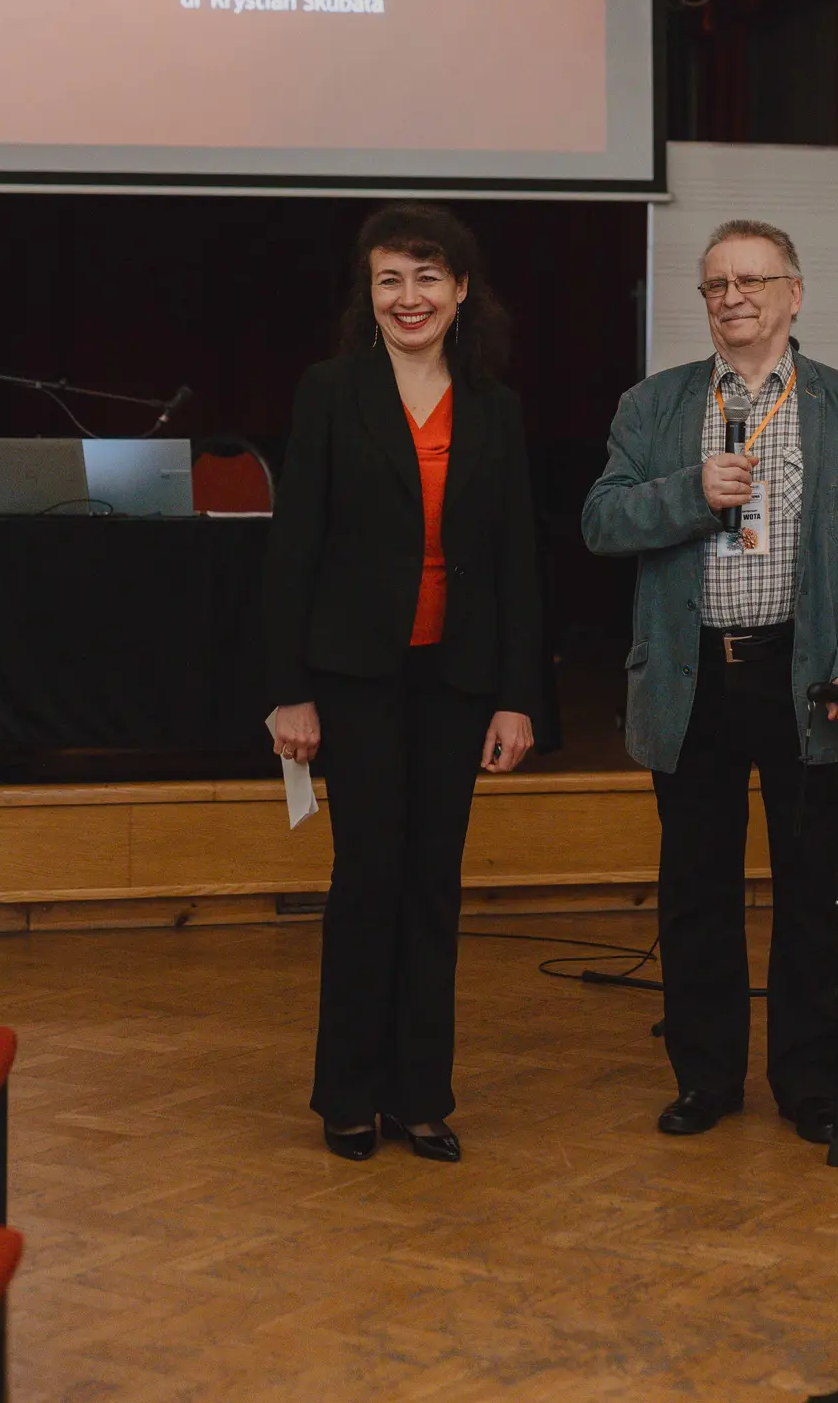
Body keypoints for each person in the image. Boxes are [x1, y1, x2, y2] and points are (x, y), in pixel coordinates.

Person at [582, 219, 838, 1147]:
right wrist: (691, 493)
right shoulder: (654, 405)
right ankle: (706, 1079)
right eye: (716, 284)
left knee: (820, 896)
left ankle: (813, 1085)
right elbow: (601, 521)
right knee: (696, 893)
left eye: (752, 281)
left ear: (793, 295)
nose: (732, 298)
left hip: (811, 683)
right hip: (692, 680)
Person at [264, 202, 541, 1164]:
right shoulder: (329, 391)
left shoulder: (496, 407)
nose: (408, 297)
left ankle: (419, 1095)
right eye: (390, 279)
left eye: (427, 278)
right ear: (369, 293)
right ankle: (347, 1093)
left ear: (461, 290)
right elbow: (292, 549)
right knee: (367, 879)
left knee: (433, 886)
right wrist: (288, 689)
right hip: (355, 678)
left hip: (456, 680)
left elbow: (516, 564)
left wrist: (518, 695)